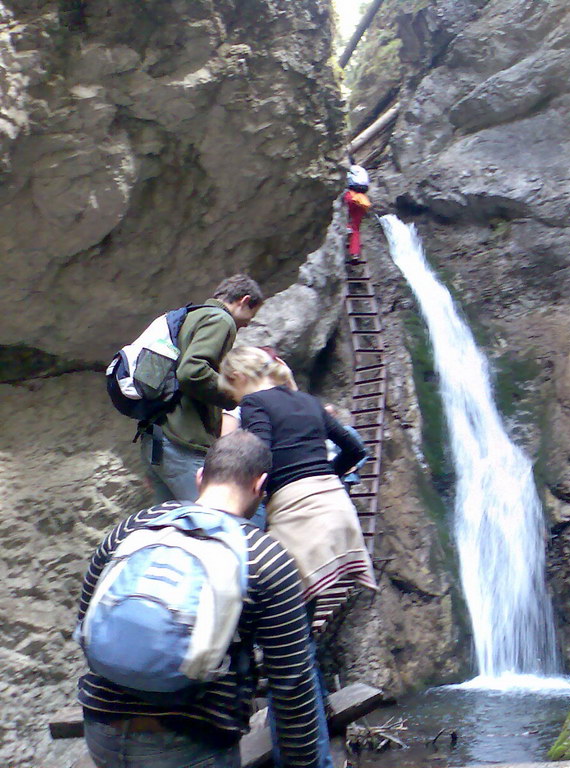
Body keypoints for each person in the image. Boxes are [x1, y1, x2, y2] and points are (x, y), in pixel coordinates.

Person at [77, 430, 330, 768]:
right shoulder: (266, 557)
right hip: (192, 740)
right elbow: (291, 684)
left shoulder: (133, 528)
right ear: (261, 485)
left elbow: (85, 620)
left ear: (200, 478)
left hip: (101, 726)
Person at [219, 346, 376, 602]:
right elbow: (355, 450)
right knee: (303, 608)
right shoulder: (308, 401)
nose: (235, 400)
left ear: (239, 377)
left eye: (231, 391)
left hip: (299, 517)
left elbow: (259, 453)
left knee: (270, 600)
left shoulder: (253, 402)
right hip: (338, 510)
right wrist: (325, 475)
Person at [142, 274, 264, 504]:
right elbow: (192, 371)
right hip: (183, 439)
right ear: (244, 300)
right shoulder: (221, 320)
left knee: (172, 528)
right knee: (210, 519)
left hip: (156, 437)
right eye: (251, 314)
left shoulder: (190, 316)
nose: (247, 323)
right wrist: (234, 394)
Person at [342, 165, 371, 262]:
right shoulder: (361, 171)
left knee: (344, 214)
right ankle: (355, 253)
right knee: (356, 229)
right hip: (362, 201)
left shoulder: (350, 171)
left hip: (351, 197)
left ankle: (347, 227)